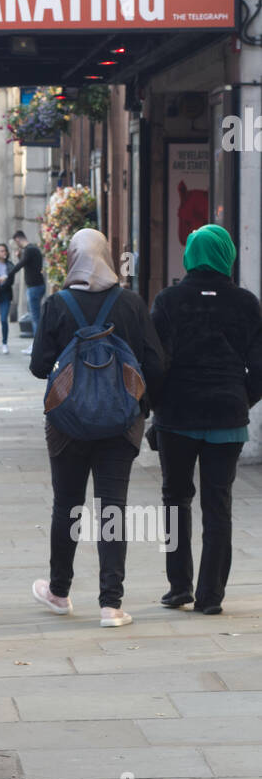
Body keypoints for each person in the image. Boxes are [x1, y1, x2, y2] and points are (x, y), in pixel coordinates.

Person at [29, 229, 166, 626]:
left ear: (73, 258)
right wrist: (142, 407)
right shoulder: (131, 304)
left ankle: (58, 591)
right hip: (120, 424)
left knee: (66, 506)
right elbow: (156, 364)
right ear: (107, 256)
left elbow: (39, 367)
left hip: (67, 425)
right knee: (113, 509)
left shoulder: (57, 304)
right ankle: (111, 604)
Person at [149, 224, 262, 615]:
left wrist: (157, 407)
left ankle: (179, 586)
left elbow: (154, 364)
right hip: (227, 419)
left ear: (191, 255)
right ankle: (211, 596)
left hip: (176, 418)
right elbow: (260, 368)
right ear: (226, 254)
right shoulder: (247, 303)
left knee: (175, 500)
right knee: (219, 506)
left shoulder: (167, 301)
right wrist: (240, 400)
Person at [12, 229, 45, 354]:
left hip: (34, 288)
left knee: (35, 318)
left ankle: (36, 346)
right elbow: (31, 264)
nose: (18, 245)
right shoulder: (34, 249)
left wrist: (8, 275)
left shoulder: (29, 250)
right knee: (36, 316)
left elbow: (21, 265)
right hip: (39, 286)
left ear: (19, 239)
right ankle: (36, 344)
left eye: (17, 242)